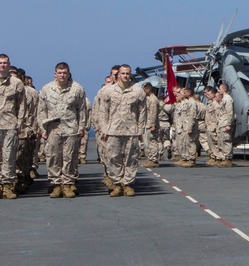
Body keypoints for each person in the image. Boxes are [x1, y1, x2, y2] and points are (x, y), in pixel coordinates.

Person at [38, 62, 87, 198]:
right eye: (60, 73)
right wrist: (42, 128)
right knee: (53, 156)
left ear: (68, 73)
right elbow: (41, 110)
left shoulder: (77, 89)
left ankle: (67, 184)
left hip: (71, 128)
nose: (62, 75)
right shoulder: (47, 89)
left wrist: (82, 127)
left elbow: (82, 110)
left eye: (65, 72)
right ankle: (55, 184)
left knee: (70, 157)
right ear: (55, 74)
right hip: (53, 128)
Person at [98, 64, 147, 196]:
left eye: (127, 73)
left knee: (131, 158)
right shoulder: (108, 91)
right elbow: (103, 112)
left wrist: (141, 130)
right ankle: (117, 184)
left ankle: (127, 184)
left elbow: (142, 112)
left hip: (132, 130)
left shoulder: (138, 92)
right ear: (118, 75)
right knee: (114, 158)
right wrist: (104, 129)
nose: (125, 76)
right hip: (113, 130)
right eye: (123, 73)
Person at [0, 54, 26, 199]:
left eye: (5, 63)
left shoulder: (16, 83)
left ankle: (8, 185)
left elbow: (22, 105)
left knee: (8, 156)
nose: (2, 65)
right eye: (0, 63)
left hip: (9, 124)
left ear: (9, 65)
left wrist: (20, 122)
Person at [213, 83, 235, 167]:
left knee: (226, 141)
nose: (219, 91)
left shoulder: (228, 99)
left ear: (224, 89)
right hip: (221, 123)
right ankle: (223, 158)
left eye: (220, 89)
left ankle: (228, 159)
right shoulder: (223, 99)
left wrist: (229, 123)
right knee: (221, 141)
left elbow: (229, 112)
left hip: (225, 122)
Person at [141, 83, 163, 168]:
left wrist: (152, 125)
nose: (143, 91)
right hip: (147, 123)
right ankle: (150, 158)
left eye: (144, 89)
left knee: (152, 142)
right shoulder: (148, 99)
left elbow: (153, 113)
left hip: (151, 124)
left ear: (148, 89)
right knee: (148, 142)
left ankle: (154, 159)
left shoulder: (153, 99)